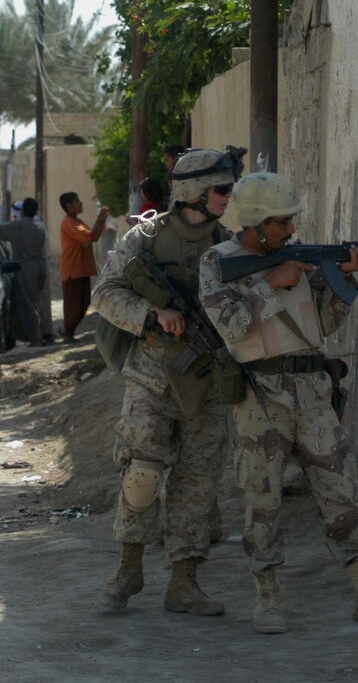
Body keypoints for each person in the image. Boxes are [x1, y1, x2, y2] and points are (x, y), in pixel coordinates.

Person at [199, 172, 358, 634]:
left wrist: (343, 282)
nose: (292, 231)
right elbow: (234, 326)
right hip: (261, 395)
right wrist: (271, 284)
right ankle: (268, 596)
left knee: (341, 491)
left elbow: (323, 326)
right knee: (262, 499)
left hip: (313, 391)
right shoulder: (217, 263)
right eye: (283, 222)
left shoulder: (299, 261)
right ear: (257, 223)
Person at [92, 147, 245, 616]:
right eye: (221, 189)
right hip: (152, 377)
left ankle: (184, 582)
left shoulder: (233, 245)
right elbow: (105, 294)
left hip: (206, 380)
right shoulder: (145, 238)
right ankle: (129, 567)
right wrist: (151, 313)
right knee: (142, 475)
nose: (226, 197)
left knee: (197, 483)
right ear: (193, 191)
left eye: (228, 188)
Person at [59, 192, 110, 343]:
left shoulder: (78, 221)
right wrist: (100, 219)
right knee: (73, 304)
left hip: (81, 269)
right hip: (72, 270)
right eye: (77, 201)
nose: (81, 204)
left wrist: (101, 221)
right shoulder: (68, 222)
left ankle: (69, 332)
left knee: (84, 302)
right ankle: (68, 333)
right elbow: (89, 236)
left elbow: (93, 237)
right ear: (69, 205)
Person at [0, 198, 47, 346]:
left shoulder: (18, 226)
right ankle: (38, 335)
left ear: (22, 211)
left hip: (26, 268)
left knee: (29, 304)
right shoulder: (39, 227)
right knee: (35, 302)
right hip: (40, 266)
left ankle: (36, 339)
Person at [9, 200, 54, 343]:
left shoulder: (25, 226)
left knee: (33, 304)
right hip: (39, 267)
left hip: (31, 268)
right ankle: (43, 334)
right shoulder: (36, 224)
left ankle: (38, 337)